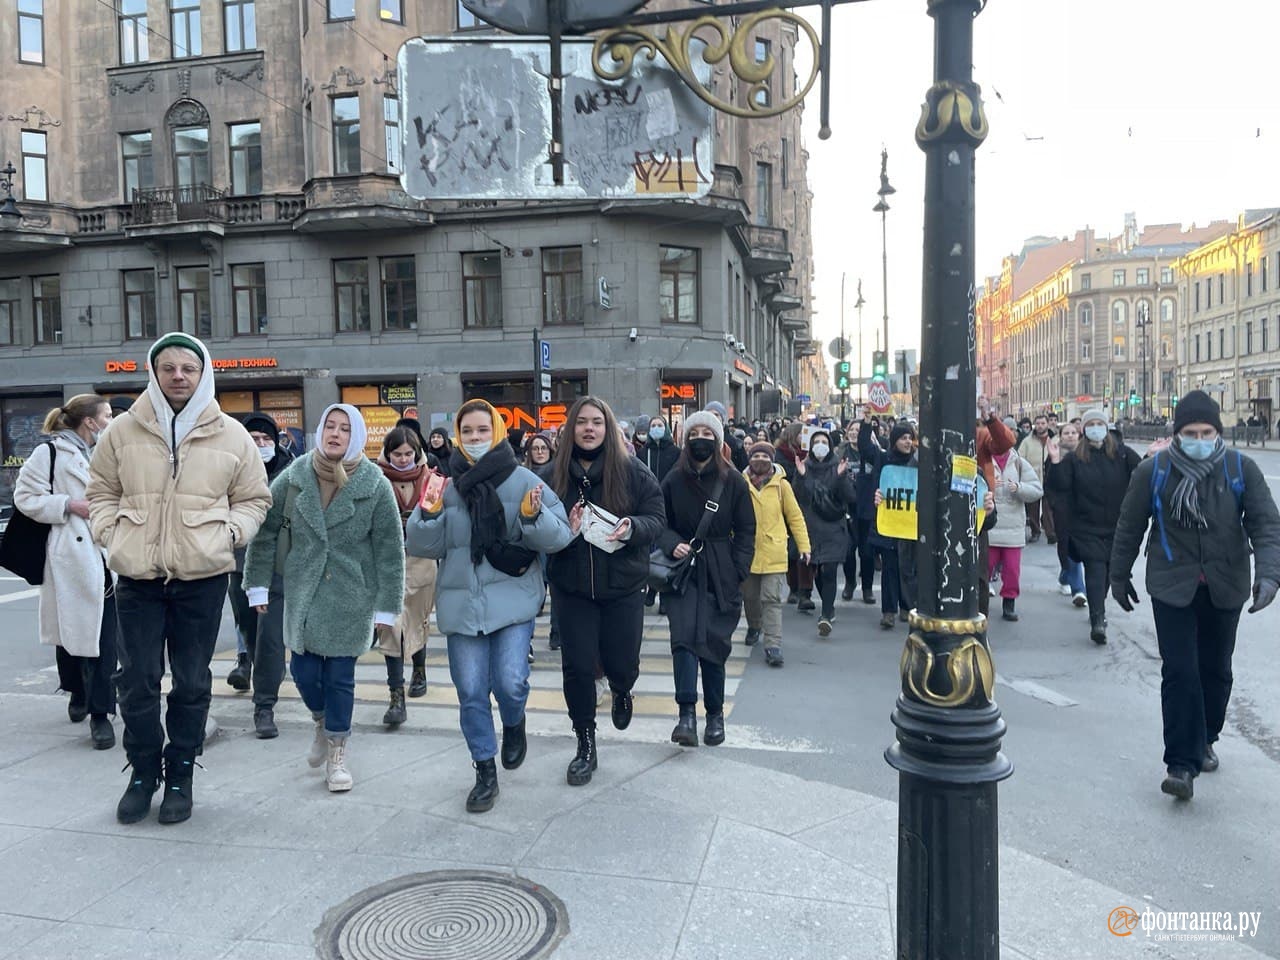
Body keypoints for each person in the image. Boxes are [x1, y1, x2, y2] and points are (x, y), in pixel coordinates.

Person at [88, 333, 271, 825]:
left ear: (203, 372)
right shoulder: (121, 432)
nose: (177, 377)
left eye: (187, 368)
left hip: (202, 578)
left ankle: (181, 775)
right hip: (138, 578)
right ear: (153, 373)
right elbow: (101, 490)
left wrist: (230, 533)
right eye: (167, 368)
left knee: (191, 683)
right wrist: (111, 532)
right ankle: (143, 771)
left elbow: (256, 498)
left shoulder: (230, 434)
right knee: (137, 683)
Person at [1110, 390, 1280, 801]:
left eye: (1206, 431)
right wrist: (1117, 576)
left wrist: (1269, 577)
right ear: (1177, 434)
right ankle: (1181, 765)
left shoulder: (1242, 469)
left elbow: (1266, 526)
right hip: (1172, 583)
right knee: (1180, 671)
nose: (1199, 438)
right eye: (1190, 432)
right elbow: (1130, 525)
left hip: (1226, 582)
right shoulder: (1154, 471)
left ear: (1218, 432)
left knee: (1216, 669)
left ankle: (1206, 735)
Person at [406, 399, 572, 813]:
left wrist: (533, 518)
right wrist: (424, 514)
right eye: (468, 432)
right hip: (462, 605)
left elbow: (559, 537)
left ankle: (514, 723)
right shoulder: (446, 485)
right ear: (458, 438)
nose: (475, 439)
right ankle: (484, 769)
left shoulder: (523, 481)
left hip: (512, 601)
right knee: (471, 691)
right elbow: (425, 546)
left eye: (482, 430)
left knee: (511, 681)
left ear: (496, 432)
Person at [244, 405, 403, 792]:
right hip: (303, 591)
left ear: (358, 437)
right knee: (303, 672)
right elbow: (265, 532)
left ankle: (337, 750)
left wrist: (387, 606)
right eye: (330, 426)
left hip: (352, 594)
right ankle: (321, 721)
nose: (335, 434)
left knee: (340, 678)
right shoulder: (294, 477)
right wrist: (257, 583)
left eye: (345, 429)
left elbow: (389, 549)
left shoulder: (375, 484)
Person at [546, 397, 666, 785]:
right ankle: (585, 743)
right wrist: (560, 524)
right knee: (578, 669)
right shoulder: (552, 475)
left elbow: (656, 518)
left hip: (623, 586)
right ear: (571, 429)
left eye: (597, 422)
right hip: (572, 587)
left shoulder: (632, 471)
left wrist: (632, 528)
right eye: (581, 422)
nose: (589, 429)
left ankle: (622, 688)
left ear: (608, 428)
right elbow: (534, 524)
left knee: (622, 661)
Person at [14, 394, 118, 749]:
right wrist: (68, 504)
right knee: (73, 631)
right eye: (106, 415)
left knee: (105, 638)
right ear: (90, 421)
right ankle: (77, 690)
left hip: (108, 553)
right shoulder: (51, 452)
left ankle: (101, 713)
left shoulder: (108, 452)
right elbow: (25, 498)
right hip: (70, 554)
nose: (110, 420)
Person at [656, 410, 755, 747]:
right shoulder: (672, 480)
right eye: (694, 432)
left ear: (718, 440)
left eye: (707, 433)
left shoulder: (733, 481)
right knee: (683, 640)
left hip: (720, 571)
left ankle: (715, 715)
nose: (701, 438)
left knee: (714, 644)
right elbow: (660, 522)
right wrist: (672, 545)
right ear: (686, 440)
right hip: (683, 573)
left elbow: (745, 530)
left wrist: (738, 569)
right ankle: (686, 715)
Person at [224, 412, 294, 738]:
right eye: (254, 440)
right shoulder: (231, 469)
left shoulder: (291, 470)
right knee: (249, 628)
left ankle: (263, 706)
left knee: (271, 637)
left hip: (277, 566)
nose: (261, 445)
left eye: (266, 439)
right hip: (238, 562)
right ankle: (252, 665)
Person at [1045, 410, 1138, 642]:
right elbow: (1060, 487)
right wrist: (1055, 462)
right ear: (1084, 430)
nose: (1095, 428)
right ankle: (1097, 620)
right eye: (1091, 424)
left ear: (1106, 428)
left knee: (1106, 573)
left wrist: (1151, 457)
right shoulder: (1075, 457)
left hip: (1116, 526)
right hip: (1086, 527)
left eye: (1099, 423)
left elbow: (1142, 475)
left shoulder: (1122, 454)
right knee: (1096, 570)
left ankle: (1099, 608)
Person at [375, 427, 438, 726]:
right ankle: (395, 695)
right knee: (391, 626)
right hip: (385, 563)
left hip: (422, 561)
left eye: (408, 454)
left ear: (417, 453)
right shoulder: (373, 478)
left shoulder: (432, 479)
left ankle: (420, 669)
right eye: (396, 454)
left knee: (417, 620)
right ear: (388, 453)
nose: (402, 460)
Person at [742, 440, 810, 666]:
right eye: (755, 456)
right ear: (749, 459)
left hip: (774, 551)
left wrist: (804, 546)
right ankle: (754, 626)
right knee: (750, 597)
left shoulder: (782, 486)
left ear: (772, 460)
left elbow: (795, 517)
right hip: (747, 552)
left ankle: (773, 645)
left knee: (771, 600)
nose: (759, 460)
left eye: (764, 457)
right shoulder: (740, 484)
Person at [793, 428, 856, 636]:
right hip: (811, 527)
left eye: (824, 441)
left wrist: (840, 477)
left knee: (829, 570)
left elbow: (849, 497)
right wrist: (802, 477)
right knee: (817, 570)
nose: (820, 445)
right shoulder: (804, 468)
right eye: (816, 441)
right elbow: (800, 497)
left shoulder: (838, 466)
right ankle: (828, 606)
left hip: (833, 527)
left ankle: (826, 614)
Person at [986, 437, 1043, 622]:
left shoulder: (1018, 462)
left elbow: (1036, 489)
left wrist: (1018, 487)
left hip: (1013, 528)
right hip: (989, 525)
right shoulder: (984, 459)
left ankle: (1009, 603)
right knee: (984, 567)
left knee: (1012, 570)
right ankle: (979, 602)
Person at [1045, 421, 1086, 607]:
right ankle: (1072, 583)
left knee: (1078, 547)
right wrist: (1055, 504)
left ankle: (1072, 584)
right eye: (1066, 433)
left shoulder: (1086, 455)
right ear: (1060, 436)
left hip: (1084, 509)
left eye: (1073, 432)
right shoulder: (1054, 455)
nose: (1070, 435)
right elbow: (1050, 484)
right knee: (1067, 546)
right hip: (1063, 510)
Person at [1017, 414, 1055, 543]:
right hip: (1032, 479)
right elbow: (1020, 458)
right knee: (1032, 507)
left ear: (1047, 424)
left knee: (1048, 508)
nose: (1040, 426)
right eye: (1038, 423)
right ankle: (1035, 531)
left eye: (1043, 423)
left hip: (1050, 478)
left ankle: (1051, 533)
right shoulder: (1028, 441)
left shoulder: (1054, 439)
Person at [704, 400, 749, 471]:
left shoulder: (736, 444)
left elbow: (744, 470)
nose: (712, 417)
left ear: (722, 419)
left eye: (716, 414)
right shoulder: (700, 440)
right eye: (709, 414)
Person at [640, 414, 680, 483]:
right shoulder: (642, 453)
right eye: (653, 426)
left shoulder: (676, 452)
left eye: (660, 425)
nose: (656, 428)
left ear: (666, 429)